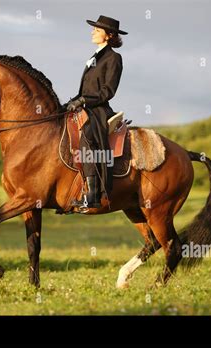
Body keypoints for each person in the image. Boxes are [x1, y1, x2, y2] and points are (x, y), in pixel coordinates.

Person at [66, 15, 128, 209]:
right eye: (94, 29)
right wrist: (74, 101)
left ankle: (92, 195)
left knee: (87, 133)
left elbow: (108, 91)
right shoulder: (94, 57)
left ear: (109, 35)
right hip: (85, 105)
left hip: (99, 110)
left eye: (97, 30)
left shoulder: (114, 58)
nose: (93, 31)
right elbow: (85, 88)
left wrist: (85, 100)